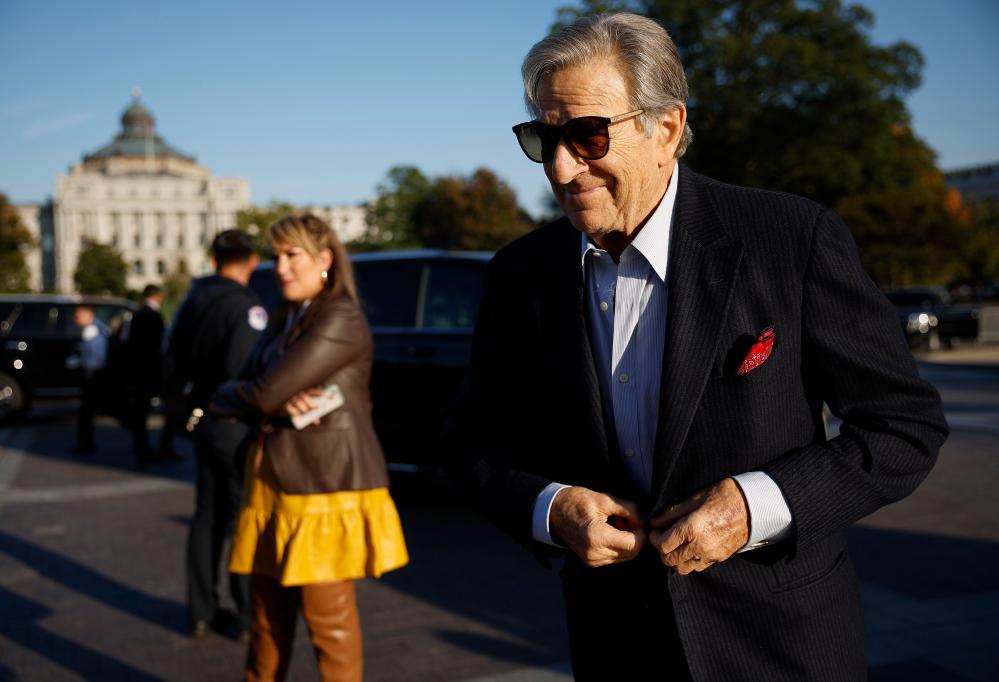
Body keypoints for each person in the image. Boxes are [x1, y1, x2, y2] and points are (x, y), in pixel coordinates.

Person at [443, 13, 948, 681]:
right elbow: (469, 442)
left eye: (588, 135)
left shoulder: (788, 238)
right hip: (614, 645)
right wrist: (550, 507)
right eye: (544, 138)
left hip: (780, 648)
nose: (563, 167)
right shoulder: (520, 275)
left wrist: (757, 506)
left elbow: (903, 425)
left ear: (667, 129)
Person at [208, 214, 408, 681]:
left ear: (324, 260)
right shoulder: (286, 314)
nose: (279, 267)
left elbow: (259, 393)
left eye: (291, 255)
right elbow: (258, 389)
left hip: (322, 489)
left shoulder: (339, 315)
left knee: (328, 626)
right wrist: (258, 396)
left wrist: (235, 397)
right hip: (273, 484)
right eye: (276, 255)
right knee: (264, 624)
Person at [169, 229, 267, 639]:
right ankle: (245, 614)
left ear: (213, 260)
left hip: (202, 422)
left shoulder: (192, 302)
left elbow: (172, 359)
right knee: (242, 519)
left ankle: (200, 610)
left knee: (207, 516)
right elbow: (240, 373)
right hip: (233, 425)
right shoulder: (246, 307)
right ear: (252, 260)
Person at [124, 283, 167, 465]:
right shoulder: (153, 316)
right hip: (150, 370)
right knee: (146, 411)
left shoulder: (136, 314)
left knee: (140, 412)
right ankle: (145, 450)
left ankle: (141, 447)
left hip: (138, 370)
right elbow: (159, 346)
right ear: (158, 296)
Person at [72, 305, 109, 454]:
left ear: (89, 314)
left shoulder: (92, 330)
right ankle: (85, 443)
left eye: (78, 315)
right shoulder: (99, 327)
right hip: (96, 375)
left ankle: (85, 444)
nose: (76, 319)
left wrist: (80, 362)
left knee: (86, 412)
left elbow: (97, 358)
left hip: (93, 376)